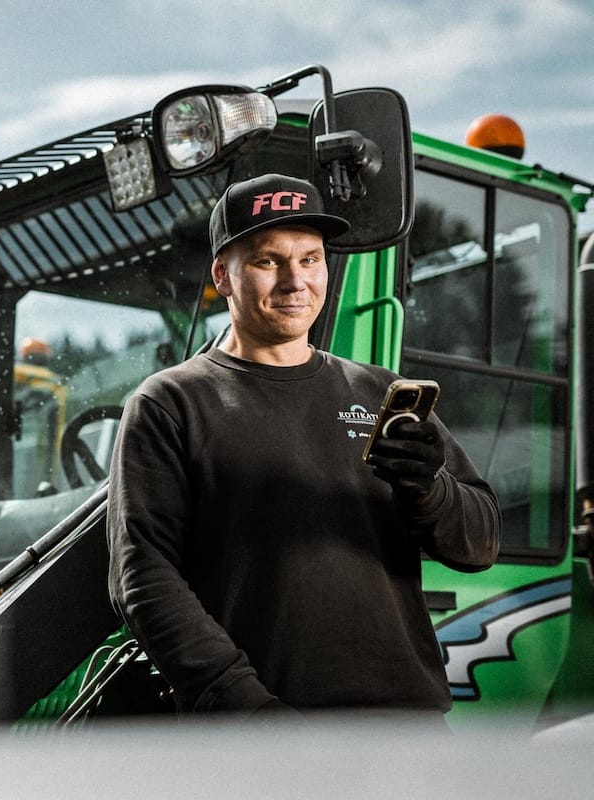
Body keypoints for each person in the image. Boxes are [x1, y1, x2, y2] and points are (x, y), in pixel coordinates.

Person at [106, 173, 500, 718]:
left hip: (409, 726)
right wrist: (246, 709)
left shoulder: (378, 391)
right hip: (270, 730)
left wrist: (429, 489)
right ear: (222, 275)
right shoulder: (170, 404)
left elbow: (480, 546)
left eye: (310, 259)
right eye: (269, 261)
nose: (296, 281)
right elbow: (143, 577)